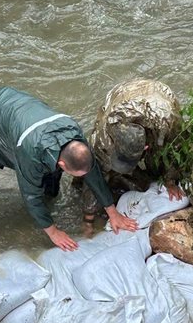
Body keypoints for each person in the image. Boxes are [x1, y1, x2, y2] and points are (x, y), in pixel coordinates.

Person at [0, 86, 138, 251]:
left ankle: (48, 205)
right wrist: (53, 231)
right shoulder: (31, 154)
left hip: (20, 116)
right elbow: (30, 195)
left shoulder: (75, 137)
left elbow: (91, 172)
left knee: (50, 187)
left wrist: (112, 212)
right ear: (64, 164)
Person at [76, 79, 185, 234]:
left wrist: (170, 179)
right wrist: (88, 217)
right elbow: (94, 173)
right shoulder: (106, 136)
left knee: (159, 159)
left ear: (146, 147)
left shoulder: (166, 124)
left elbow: (175, 148)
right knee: (99, 167)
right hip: (122, 95)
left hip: (158, 97)